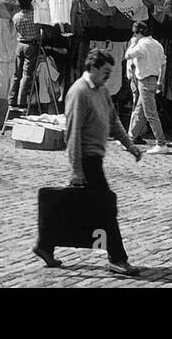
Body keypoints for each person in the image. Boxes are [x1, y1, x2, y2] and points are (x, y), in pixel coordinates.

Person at [33, 49, 142, 276]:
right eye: (104, 71)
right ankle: (117, 258)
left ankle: (45, 245)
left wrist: (131, 147)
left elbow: (113, 122)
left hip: (96, 159)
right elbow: (72, 133)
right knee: (106, 209)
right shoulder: (78, 92)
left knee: (74, 208)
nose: (108, 76)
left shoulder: (101, 92)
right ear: (92, 67)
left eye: (110, 72)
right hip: (86, 160)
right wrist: (76, 170)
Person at [125, 20, 168, 153]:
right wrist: (160, 80)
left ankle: (161, 143)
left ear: (137, 33)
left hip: (144, 80)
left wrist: (132, 44)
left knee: (150, 113)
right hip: (153, 79)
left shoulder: (141, 44)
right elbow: (163, 63)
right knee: (140, 110)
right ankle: (129, 138)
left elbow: (127, 56)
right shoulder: (157, 44)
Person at [10, 0, 45, 110]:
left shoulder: (16, 17)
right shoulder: (35, 15)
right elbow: (41, 28)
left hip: (20, 45)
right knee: (27, 74)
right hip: (31, 45)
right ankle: (21, 101)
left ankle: (12, 99)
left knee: (17, 74)